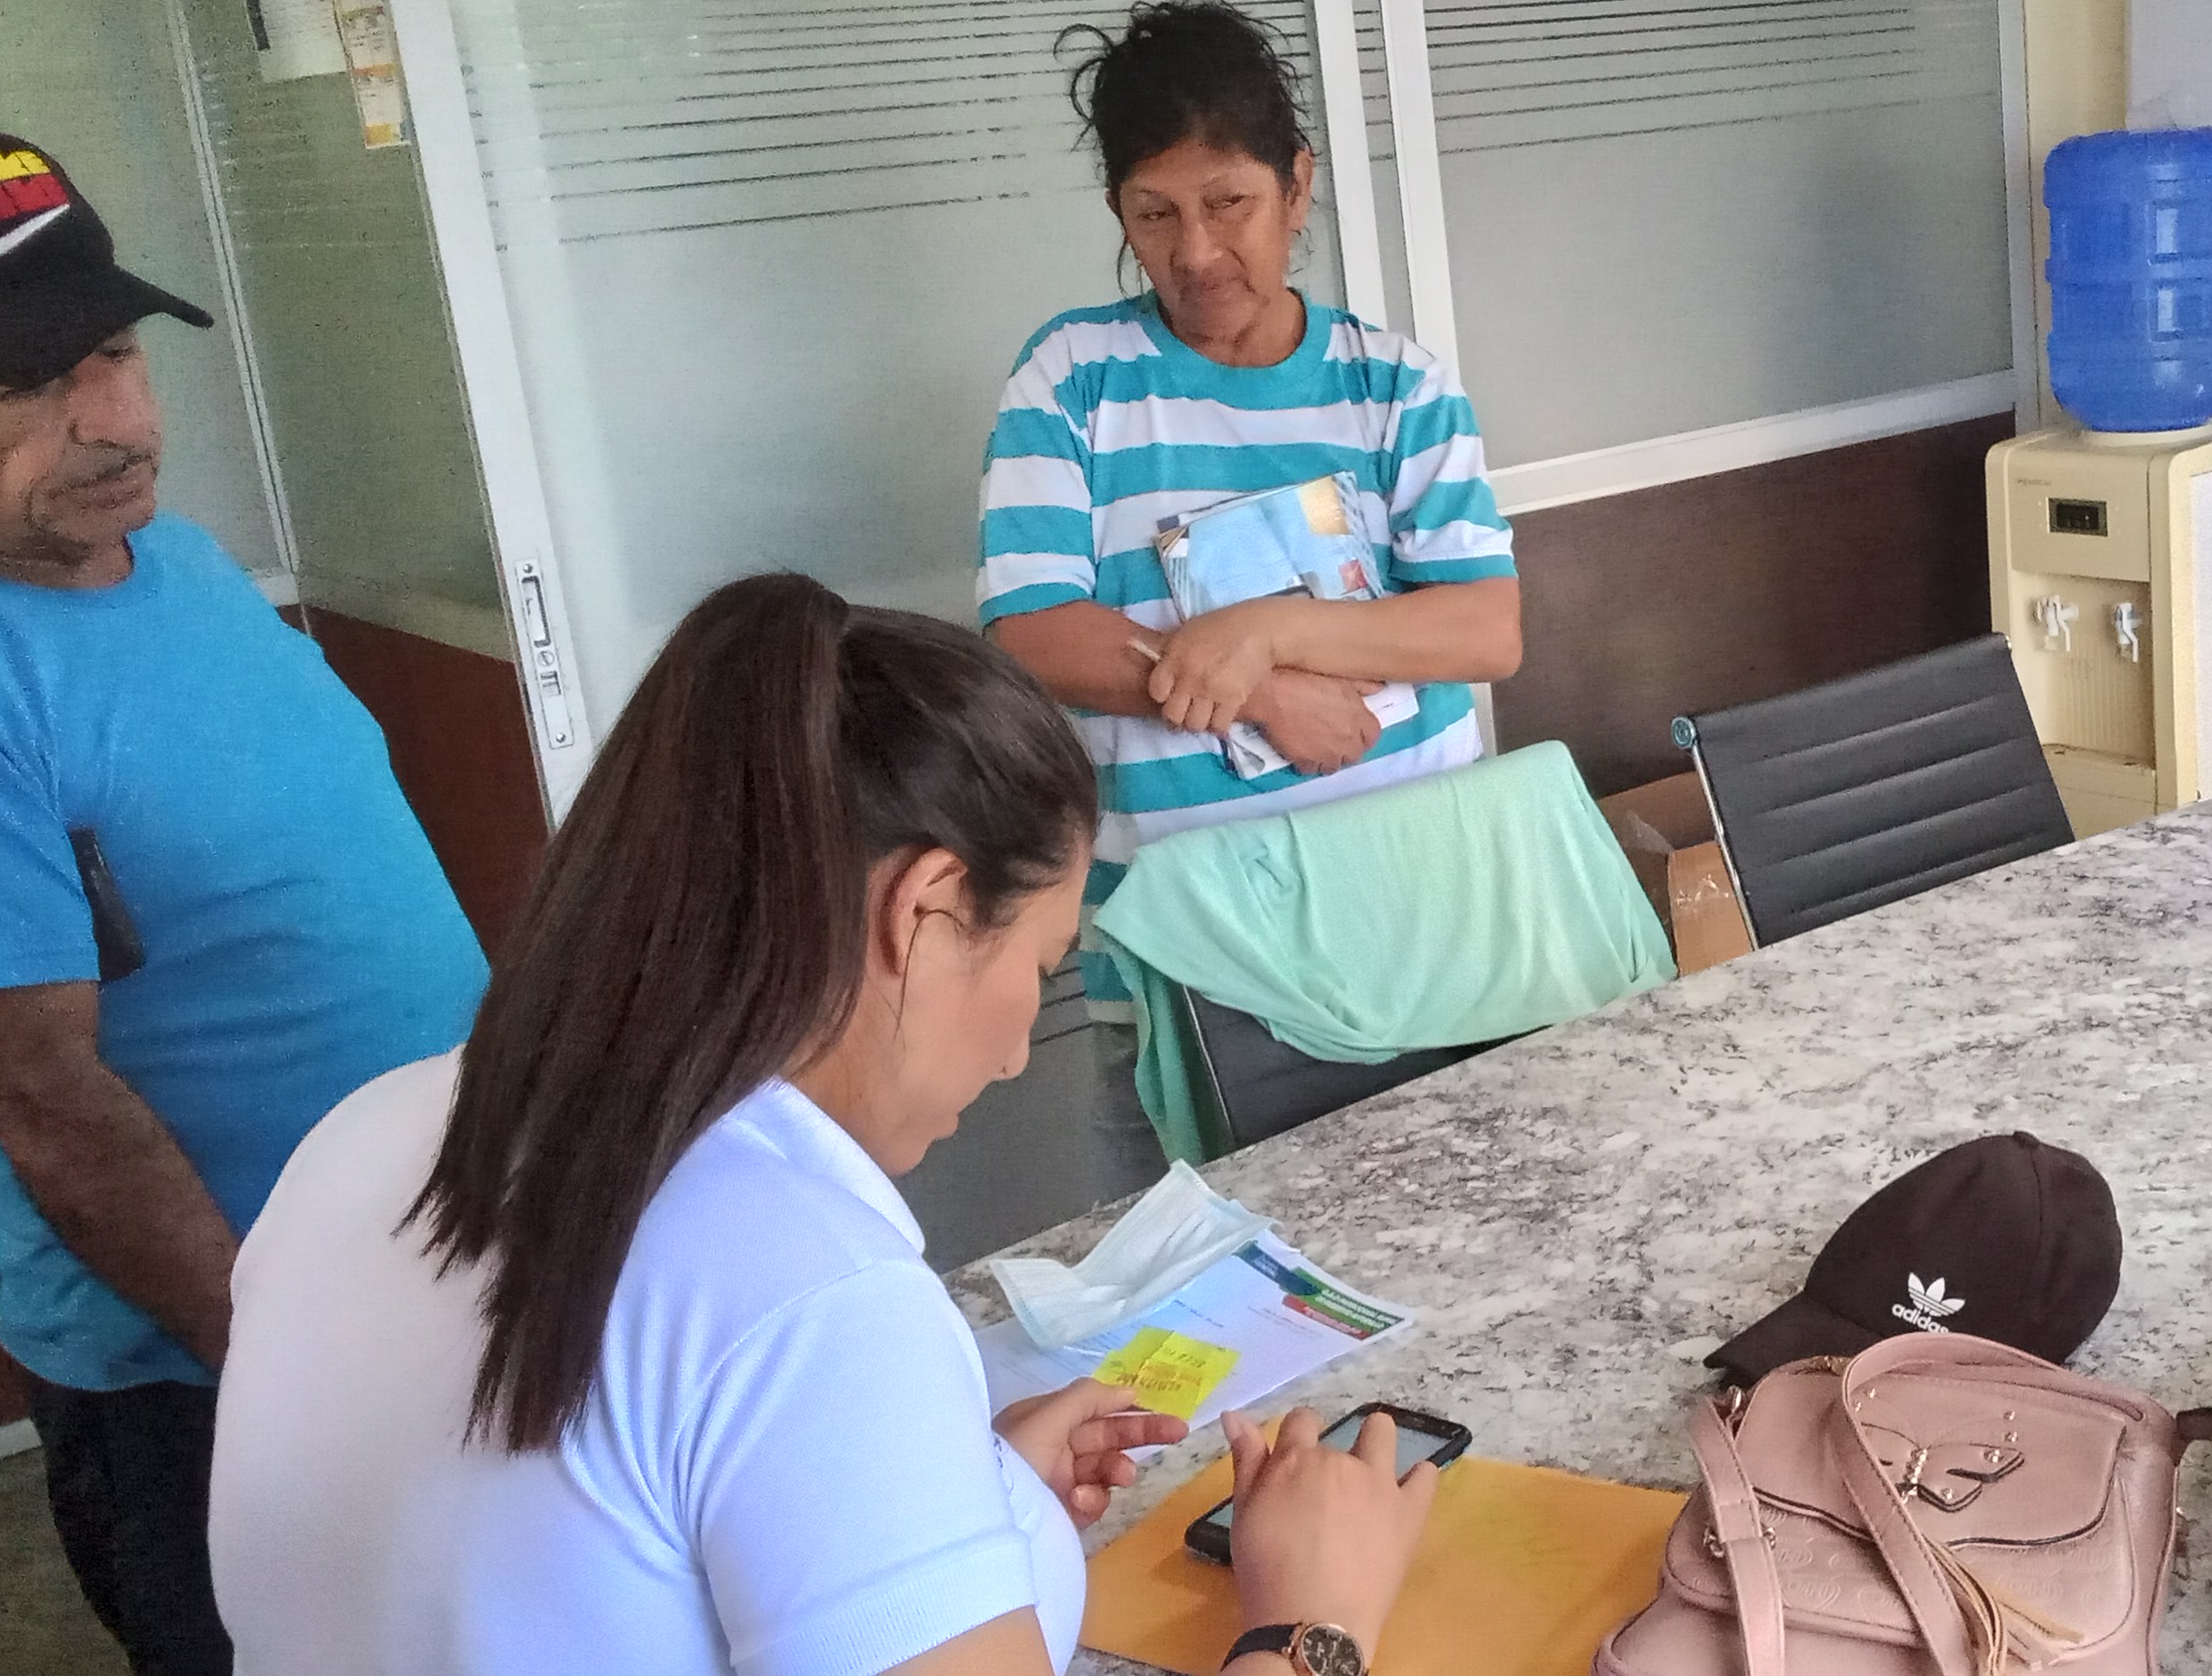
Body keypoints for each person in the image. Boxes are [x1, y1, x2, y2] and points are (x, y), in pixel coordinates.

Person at [209, 573, 1438, 1676]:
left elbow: (575, 1546)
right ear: (927, 908)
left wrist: (956, 1495)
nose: (1018, 1051)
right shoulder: (808, 1290)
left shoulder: (366, 1135)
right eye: (1042, 963)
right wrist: (1310, 1622)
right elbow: (752, 1366)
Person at [0, 132, 489, 1675]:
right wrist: (292, 1384)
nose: (114, 418)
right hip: (226, 1383)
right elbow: (43, 1103)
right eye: (25, 384)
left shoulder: (181, 562)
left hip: (445, 1287)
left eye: (112, 349)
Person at [980, 0, 1522, 1016]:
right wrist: (1259, 691)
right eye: (1154, 213)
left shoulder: (1395, 384)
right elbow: (1031, 635)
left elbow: (1485, 630)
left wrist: (1266, 631)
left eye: (1228, 202)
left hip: (1423, 910)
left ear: (1296, 186)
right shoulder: (1072, 379)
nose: (1194, 252)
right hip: (1193, 944)